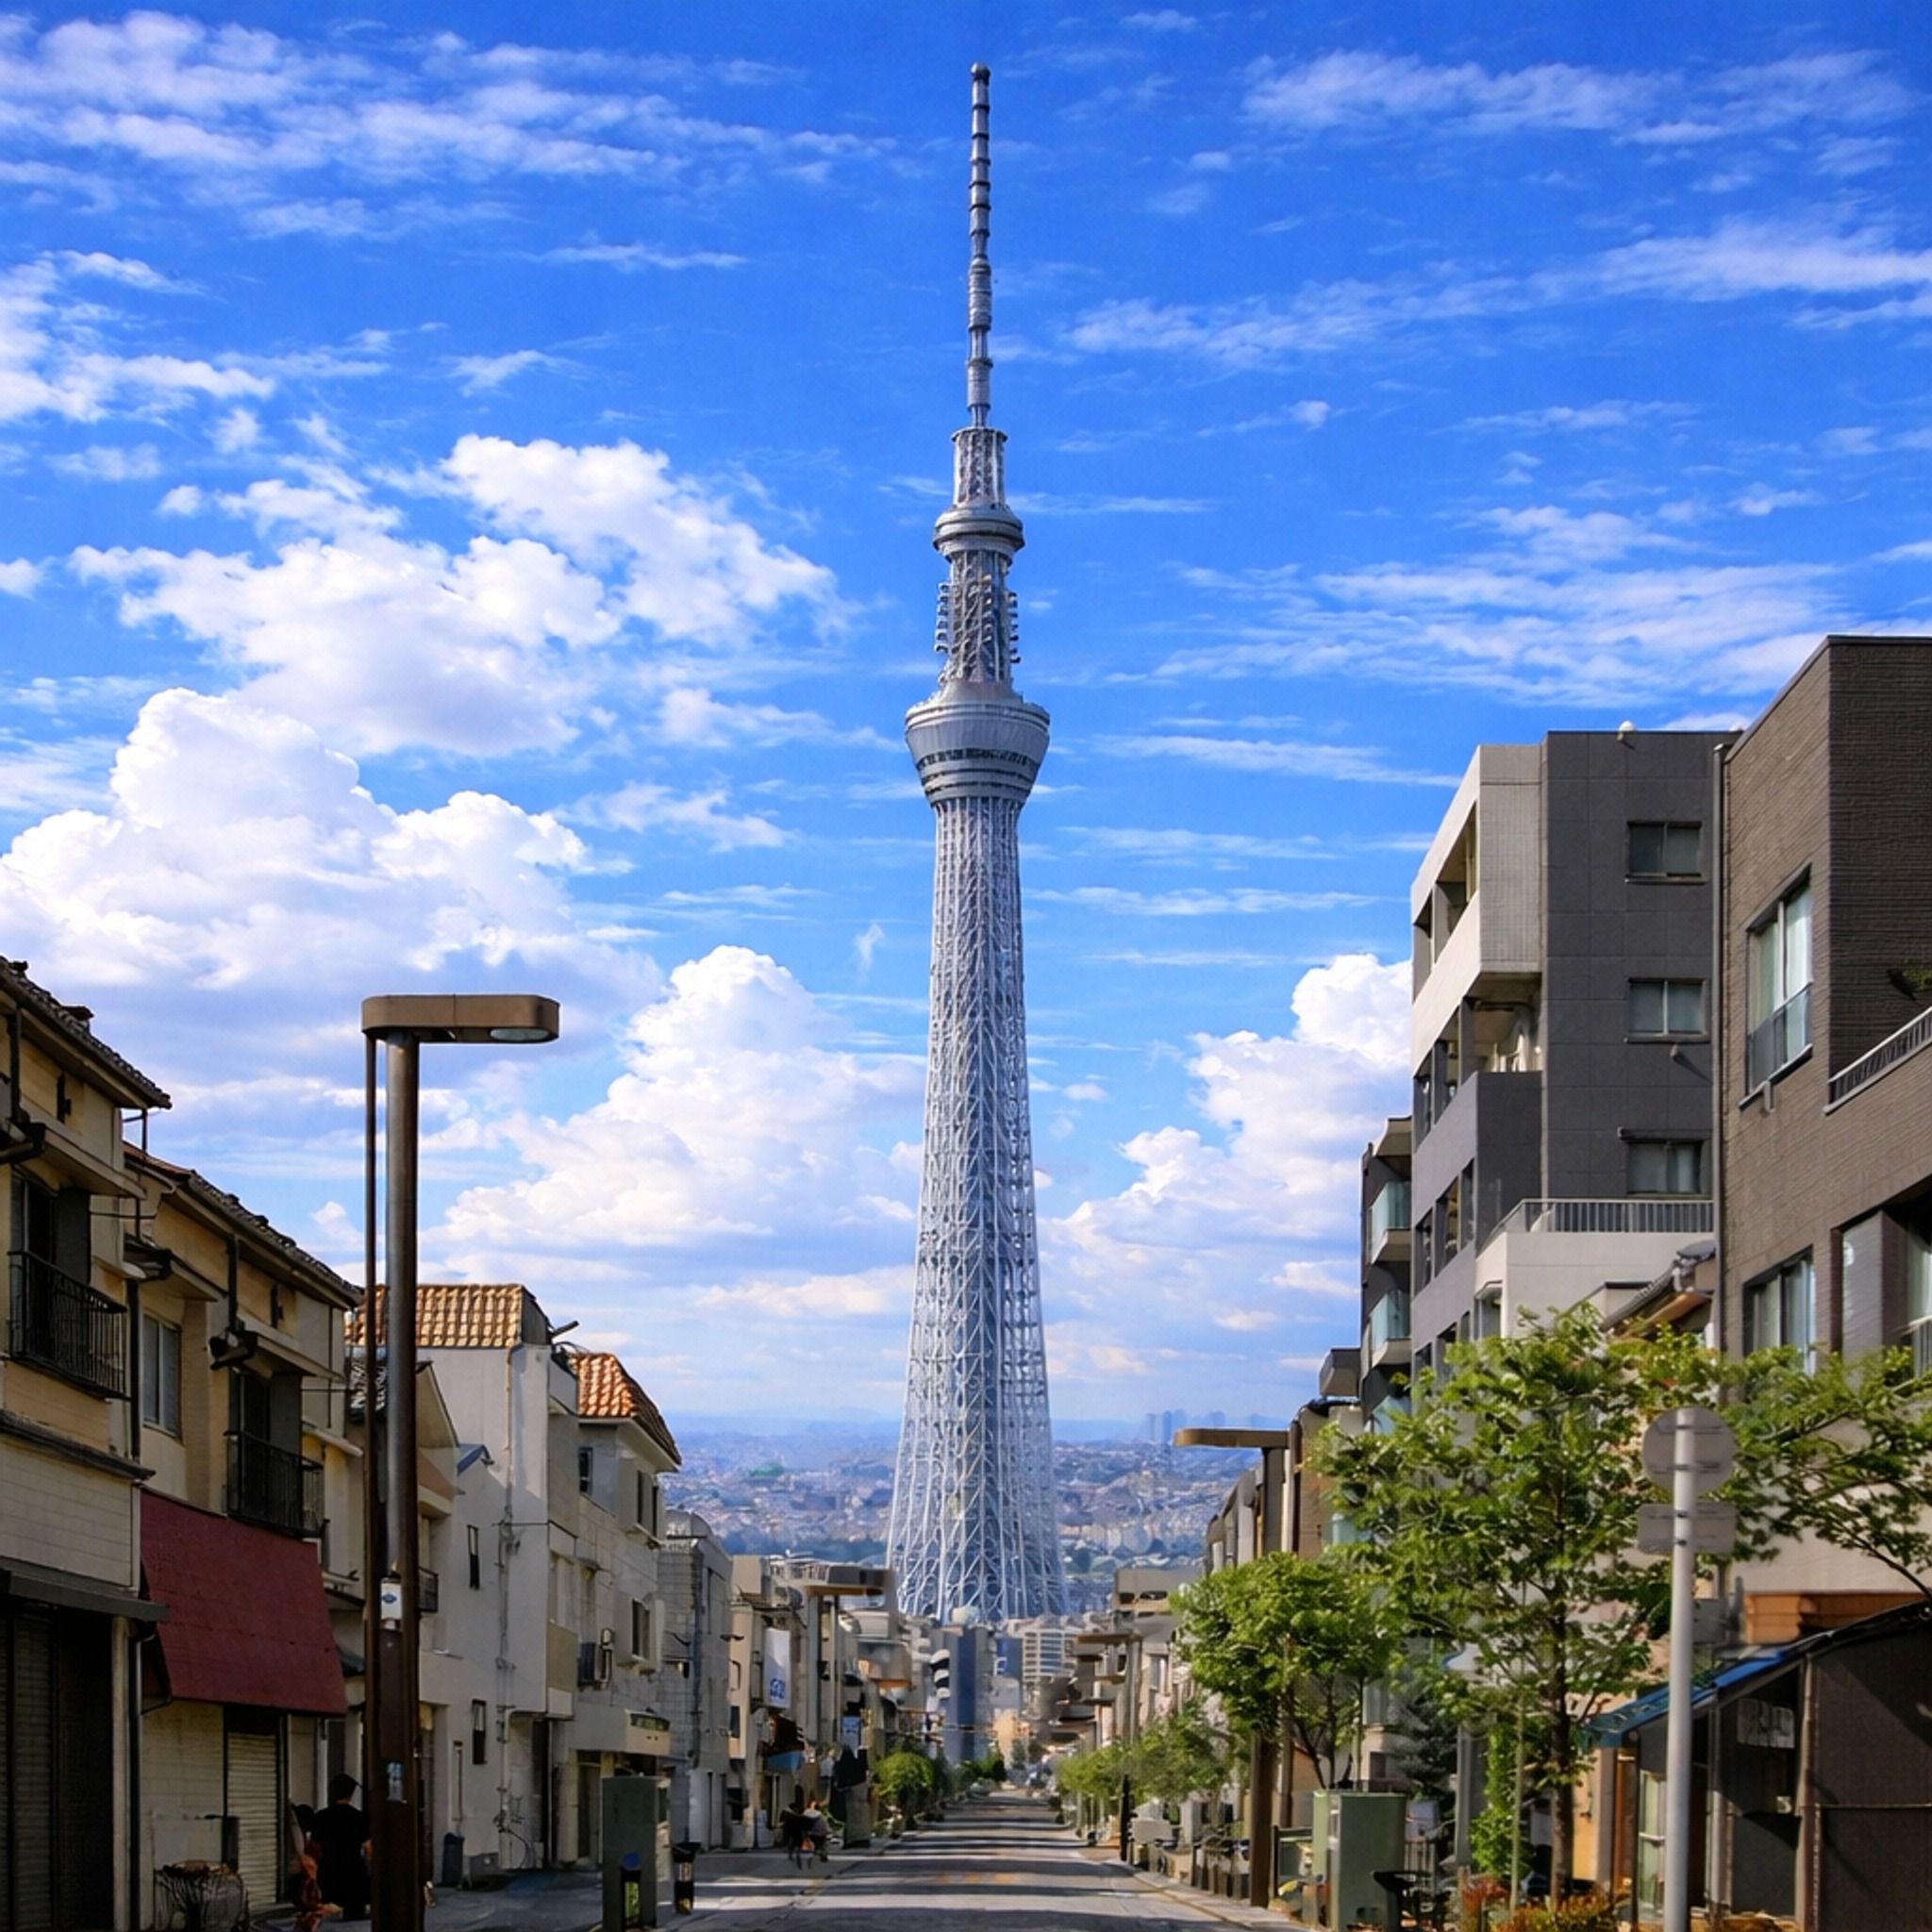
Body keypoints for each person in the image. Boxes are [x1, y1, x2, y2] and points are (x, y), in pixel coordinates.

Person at [310, 1775, 370, 1922]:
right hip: (354, 1871)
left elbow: (314, 1847)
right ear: (351, 1794)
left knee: (327, 1915)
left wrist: (318, 1865)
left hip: (329, 1869)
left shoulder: (321, 1817)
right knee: (354, 1916)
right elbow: (369, 1848)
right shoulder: (359, 1817)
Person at [778, 1795, 808, 1869]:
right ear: (793, 1808)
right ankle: (794, 1853)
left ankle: (792, 1853)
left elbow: (781, 1820)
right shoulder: (791, 1814)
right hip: (793, 1830)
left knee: (793, 1842)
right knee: (795, 1842)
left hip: (791, 1829)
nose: (797, 1810)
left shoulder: (787, 1812)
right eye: (796, 1808)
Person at [802, 1800, 830, 1864]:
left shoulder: (806, 1814)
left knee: (817, 1843)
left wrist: (805, 1836)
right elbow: (824, 1824)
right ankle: (823, 1853)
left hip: (812, 1833)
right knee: (822, 1844)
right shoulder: (820, 1815)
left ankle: (817, 1850)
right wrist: (827, 1831)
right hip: (821, 1832)